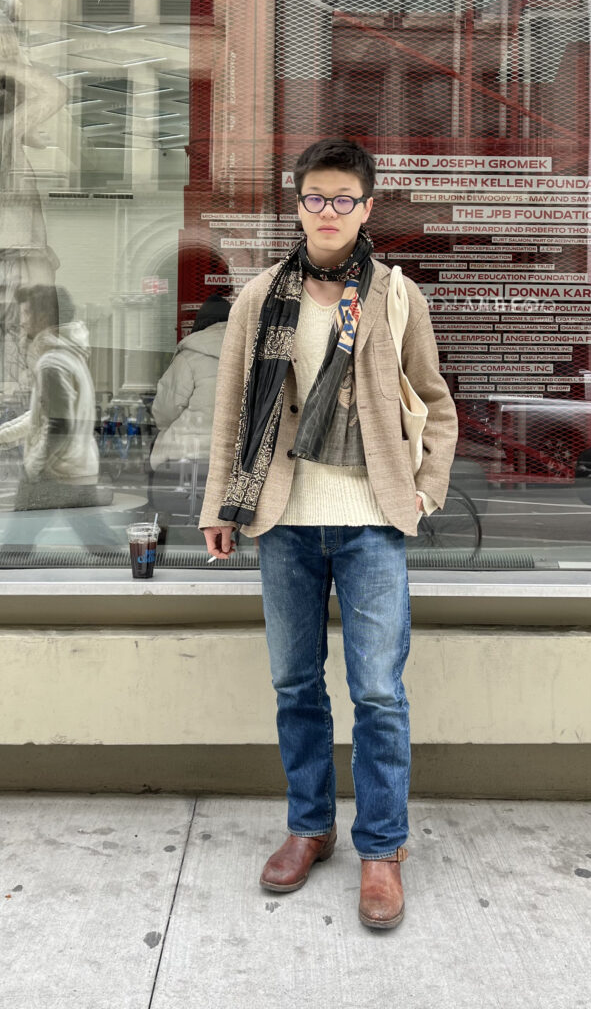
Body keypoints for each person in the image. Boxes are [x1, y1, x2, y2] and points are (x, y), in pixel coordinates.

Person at [200, 139, 458, 929]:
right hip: (282, 521)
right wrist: (221, 505)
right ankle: (309, 828)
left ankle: (381, 848)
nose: (329, 211)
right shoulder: (257, 299)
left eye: (344, 198)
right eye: (316, 197)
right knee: (294, 685)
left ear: (368, 207)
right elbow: (232, 417)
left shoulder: (394, 297)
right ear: (299, 203)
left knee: (379, 691)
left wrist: (423, 492)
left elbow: (437, 404)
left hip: (373, 523)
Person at [0, 284, 115, 552]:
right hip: (74, 468)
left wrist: (35, 468)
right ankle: (128, 577)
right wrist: (0, 436)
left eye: (26, 312)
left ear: (43, 315)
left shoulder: (52, 363)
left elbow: (59, 425)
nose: (22, 320)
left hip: (54, 472)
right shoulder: (67, 356)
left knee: (15, 546)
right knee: (99, 543)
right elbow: (43, 415)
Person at [147, 294, 230, 522]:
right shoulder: (250, 354)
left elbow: (163, 412)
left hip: (187, 459)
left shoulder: (190, 356)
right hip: (232, 461)